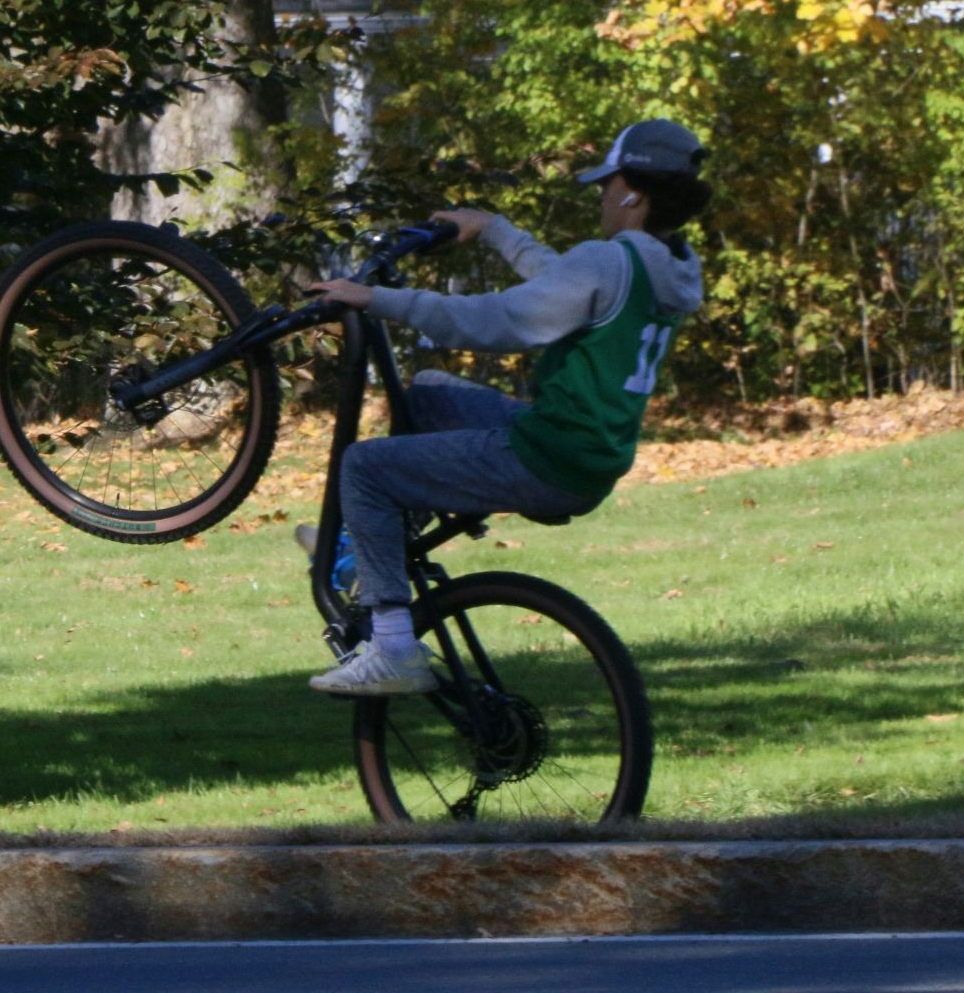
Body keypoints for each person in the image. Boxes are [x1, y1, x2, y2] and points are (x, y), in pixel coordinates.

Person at [302, 119, 711, 696]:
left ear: (632, 193)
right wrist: (494, 230)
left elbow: (501, 320)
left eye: (605, 185)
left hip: (544, 457)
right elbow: (561, 284)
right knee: (429, 393)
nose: (600, 196)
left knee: (364, 467)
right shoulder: (667, 267)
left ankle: (393, 648)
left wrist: (376, 299)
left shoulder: (611, 260)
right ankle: (368, 556)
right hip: (587, 454)